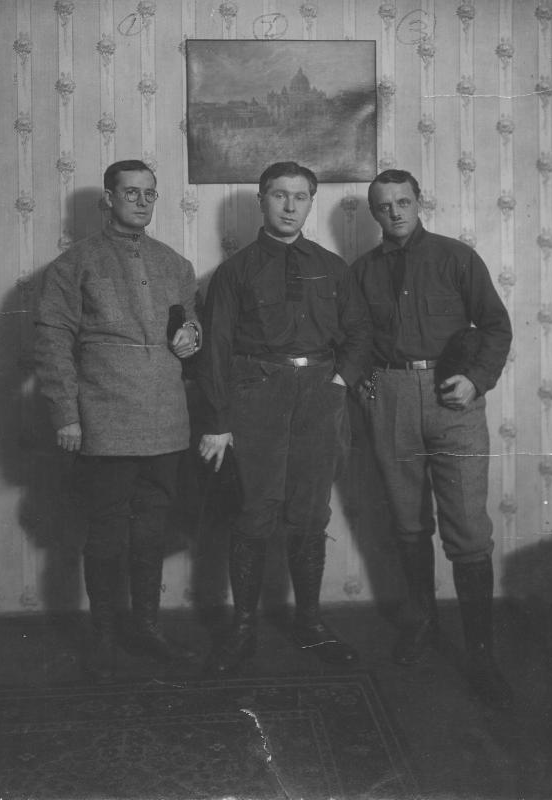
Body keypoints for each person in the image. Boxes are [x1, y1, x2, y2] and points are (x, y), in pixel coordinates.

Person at [195, 161, 372, 675]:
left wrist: (340, 381)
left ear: (311, 202)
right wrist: (221, 420)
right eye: (279, 195)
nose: (290, 206)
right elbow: (217, 350)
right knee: (254, 510)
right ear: (262, 201)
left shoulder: (333, 267)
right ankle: (244, 625)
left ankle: (310, 622)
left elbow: (359, 334)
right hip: (257, 398)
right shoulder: (235, 271)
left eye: (300, 196)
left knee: (310, 513)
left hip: (320, 395)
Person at [34, 159, 201, 681]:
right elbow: (52, 341)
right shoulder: (75, 263)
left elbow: (189, 325)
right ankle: (104, 634)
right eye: (131, 192)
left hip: (167, 420)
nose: (142, 201)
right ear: (108, 198)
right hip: (104, 418)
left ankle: (145, 628)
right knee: (106, 534)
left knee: (151, 531)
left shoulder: (175, 263)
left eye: (150, 193)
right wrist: (67, 414)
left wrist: (191, 334)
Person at [352, 169, 513, 708]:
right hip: (391, 397)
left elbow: (495, 325)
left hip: (453, 397)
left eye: (403, 201)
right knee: (407, 519)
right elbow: (351, 339)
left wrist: (477, 379)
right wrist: (365, 386)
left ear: (419, 202)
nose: (395, 212)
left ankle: (482, 652)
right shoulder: (362, 271)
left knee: (467, 528)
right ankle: (422, 622)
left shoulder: (455, 257)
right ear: (374, 214)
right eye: (383, 206)